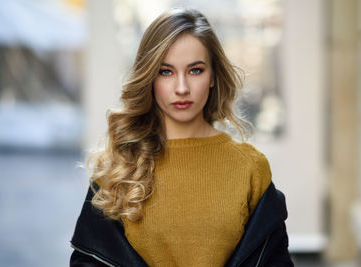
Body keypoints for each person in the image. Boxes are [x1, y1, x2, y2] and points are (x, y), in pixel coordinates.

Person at [70, 7, 293, 267]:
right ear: (150, 79)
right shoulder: (117, 167)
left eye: (195, 70)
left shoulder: (250, 167)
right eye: (166, 72)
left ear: (213, 76)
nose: (182, 88)